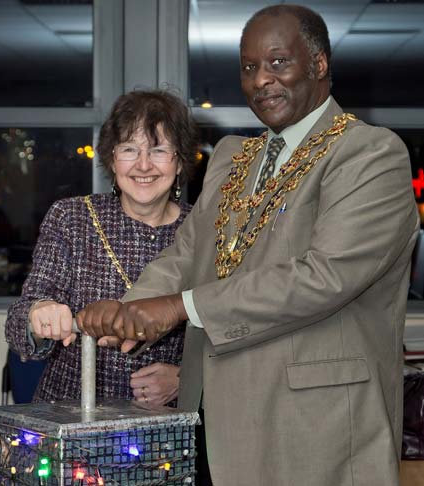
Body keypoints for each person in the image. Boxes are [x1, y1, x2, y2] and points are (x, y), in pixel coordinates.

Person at [78, 5, 419, 486]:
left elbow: (324, 276)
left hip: (310, 429)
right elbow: (187, 253)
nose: (262, 80)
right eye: (249, 67)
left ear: (319, 64)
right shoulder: (231, 156)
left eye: (279, 62)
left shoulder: (370, 154)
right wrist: (131, 313)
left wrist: (177, 307)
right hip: (208, 419)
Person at [5, 89, 198, 406]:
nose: (144, 165)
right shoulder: (71, 218)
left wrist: (184, 377)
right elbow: (17, 324)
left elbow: (225, 327)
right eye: (129, 149)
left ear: (180, 162)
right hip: (70, 416)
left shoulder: (204, 229)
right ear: (112, 159)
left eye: (159, 150)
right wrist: (37, 315)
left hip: (165, 428)